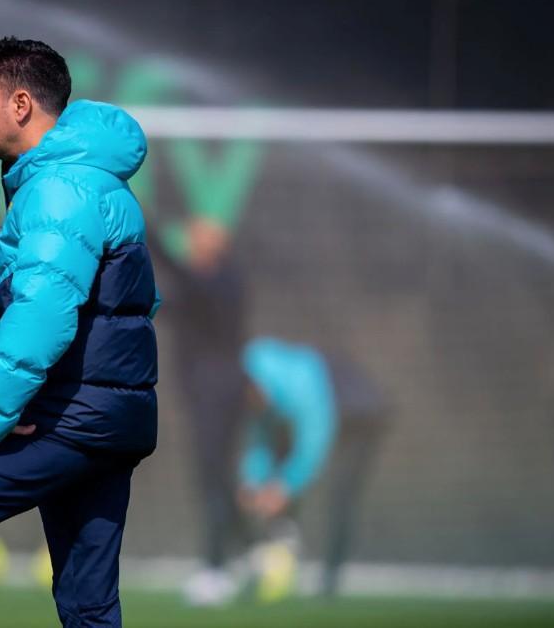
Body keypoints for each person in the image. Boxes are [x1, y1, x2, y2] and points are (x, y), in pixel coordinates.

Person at [0, 37, 160, 628]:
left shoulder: (58, 189)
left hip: (73, 419)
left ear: (21, 103)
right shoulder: (92, 180)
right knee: (87, 604)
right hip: (111, 419)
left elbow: (42, 311)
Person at [236, 336, 390, 597]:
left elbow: (314, 443)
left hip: (360, 412)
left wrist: (284, 487)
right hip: (329, 409)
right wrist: (252, 483)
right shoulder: (254, 392)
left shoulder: (300, 387)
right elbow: (260, 440)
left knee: (341, 494)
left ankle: (330, 580)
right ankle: (277, 561)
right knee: (279, 481)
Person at [151, 216, 249, 605]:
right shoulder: (196, 285)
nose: (191, 246)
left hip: (220, 393)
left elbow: (181, 277)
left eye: (197, 241)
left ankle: (215, 568)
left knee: (212, 476)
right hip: (203, 394)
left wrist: (144, 225)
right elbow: (163, 300)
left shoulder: (223, 283)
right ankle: (249, 548)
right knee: (215, 477)